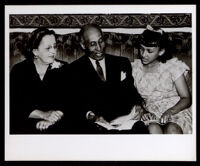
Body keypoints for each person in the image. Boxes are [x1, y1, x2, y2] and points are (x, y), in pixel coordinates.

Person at [68, 24, 148, 134]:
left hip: (125, 121)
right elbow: (74, 104)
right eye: (92, 44)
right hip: (96, 125)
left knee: (142, 130)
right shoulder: (73, 70)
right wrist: (92, 117)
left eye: (101, 41)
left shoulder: (122, 63)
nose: (99, 47)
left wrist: (138, 106)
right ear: (83, 45)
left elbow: (132, 91)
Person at [131, 25, 192, 134]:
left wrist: (170, 111)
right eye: (141, 49)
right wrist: (143, 110)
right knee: (153, 129)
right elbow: (132, 96)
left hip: (176, 110)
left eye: (149, 51)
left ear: (161, 51)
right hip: (150, 113)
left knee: (172, 130)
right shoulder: (135, 69)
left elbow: (186, 98)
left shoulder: (172, 67)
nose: (143, 54)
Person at [10, 27, 69, 134]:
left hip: (58, 123)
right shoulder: (19, 70)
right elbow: (15, 104)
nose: (53, 51)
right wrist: (43, 115)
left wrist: (53, 119)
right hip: (26, 121)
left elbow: (69, 101)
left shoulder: (64, 68)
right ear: (35, 51)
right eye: (48, 48)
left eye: (55, 47)